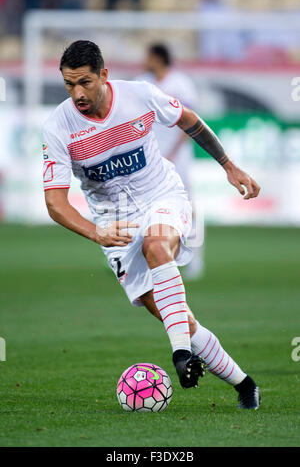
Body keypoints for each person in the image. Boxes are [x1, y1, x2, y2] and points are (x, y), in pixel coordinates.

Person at [43, 40, 261, 409]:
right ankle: (245, 384)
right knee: (174, 315)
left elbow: (189, 120)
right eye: (69, 84)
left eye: (85, 82)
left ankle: (178, 354)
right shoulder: (58, 127)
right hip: (113, 221)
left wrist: (228, 164)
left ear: (104, 75)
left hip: (162, 193)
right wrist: (97, 231)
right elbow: (55, 202)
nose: (77, 93)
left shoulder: (139, 95)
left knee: (157, 244)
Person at [136, 43, 204, 279]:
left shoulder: (180, 83)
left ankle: (196, 257)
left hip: (177, 157)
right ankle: (141, 258)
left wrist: (174, 151)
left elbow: (191, 121)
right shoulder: (141, 82)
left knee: (188, 204)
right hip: (150, 158)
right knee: (142, 205)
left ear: (158, 58)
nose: (144, 60)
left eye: (147, 56)